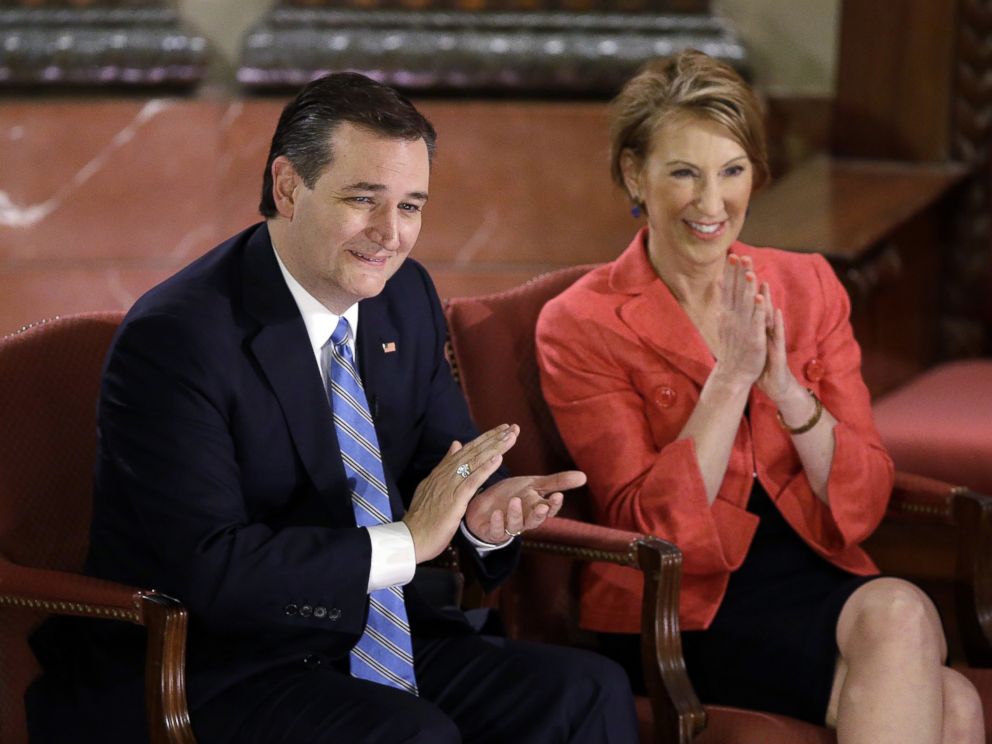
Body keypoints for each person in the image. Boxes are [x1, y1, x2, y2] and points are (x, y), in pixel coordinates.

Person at [25, 72, 638, 743]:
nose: (390, 235)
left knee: (584, 692)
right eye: (363, 200)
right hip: (217, 659)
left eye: (410, 206)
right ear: (289, 188)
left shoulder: (404, 297)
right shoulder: (178, 338)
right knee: (412, 734)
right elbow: (213, 567)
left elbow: (449, 465)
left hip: (372, 630)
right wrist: (408, 542)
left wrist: (482, 518)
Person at [535, 50, 984, 743]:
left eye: (732, 171)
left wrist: (784, 387)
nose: (712, 204)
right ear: (635, 174)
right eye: (683, 172)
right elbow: (649, 529)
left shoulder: (807, 285)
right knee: (940, 684)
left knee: (921, 647)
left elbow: (863, 498)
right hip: (676, 601)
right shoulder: (580, 324)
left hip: (813, 570)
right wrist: (730, 380)